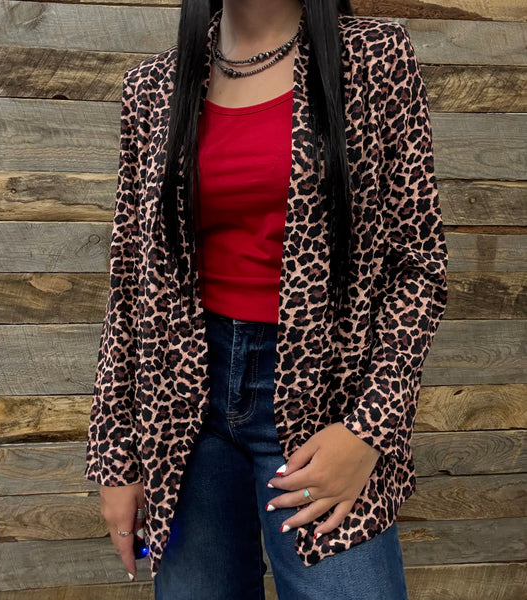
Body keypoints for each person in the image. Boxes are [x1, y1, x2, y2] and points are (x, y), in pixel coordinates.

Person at [84, 0, 448, 598]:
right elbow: (128, 282)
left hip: (322, 402)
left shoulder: (374, 58)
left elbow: (420, 266)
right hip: (181, 412)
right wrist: (115, 457)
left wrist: (369, 429)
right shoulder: (152, 87)